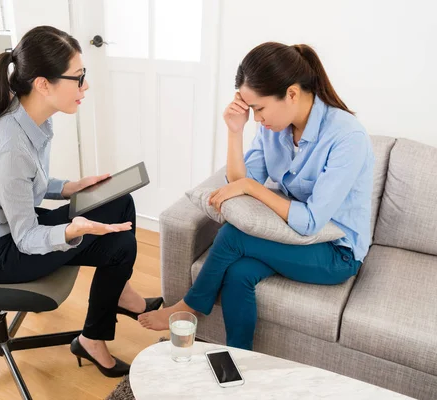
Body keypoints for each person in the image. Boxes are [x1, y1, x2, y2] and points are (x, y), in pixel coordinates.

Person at [0, 26, 162, 377]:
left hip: (8, 227)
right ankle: (97, 332)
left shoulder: (33, 119)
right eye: (78, 79)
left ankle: (112, 302)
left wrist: (69, 188)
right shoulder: (10, 145)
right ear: (44, 84)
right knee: (119, 244)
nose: (85, 87)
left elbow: (26, 185)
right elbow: (26, 237)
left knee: (120, 203)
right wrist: (69, 231)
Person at [138, 42, 374, 350]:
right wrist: (235, 131)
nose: (257, 120)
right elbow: (241, 184)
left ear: (291, 93)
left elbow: (311, 221)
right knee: (238, 273)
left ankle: (191, 305)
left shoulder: (347, 137)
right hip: (293, 237)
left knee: (233, 236)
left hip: (334, 252)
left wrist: (253, 188)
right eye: (251, 111)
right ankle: (238, 360)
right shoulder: (276, 128)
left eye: (259, 109)